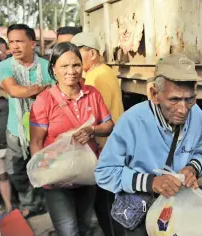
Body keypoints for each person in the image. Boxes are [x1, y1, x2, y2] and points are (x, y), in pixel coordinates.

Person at [95, 53, 202, 236]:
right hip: (140, 212)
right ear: (154, 94)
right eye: (174, 99)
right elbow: (104, 172)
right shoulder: (131, 122)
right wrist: (151, 182)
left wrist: (192, 168)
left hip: (177, 209)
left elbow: (200, 152)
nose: (183, 109)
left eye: (190, 99)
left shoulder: (197, 116)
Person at [29, 42, 114, 236]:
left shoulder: (92, 93)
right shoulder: (44, 100)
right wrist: (44, 175)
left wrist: (92, 130)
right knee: (68, 230)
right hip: (57, 179)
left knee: (85, 225)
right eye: (64, 66)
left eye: (76, 65)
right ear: (53, 69)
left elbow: (109, 125)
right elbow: (35, 142)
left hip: (86, 174)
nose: (71, 71)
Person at [71, 32, 124, 236]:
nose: (73, 60)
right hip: (105, 145)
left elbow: (97, 116)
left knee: (106, 203)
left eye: (78, 53)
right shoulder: (98, 73)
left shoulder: (98, 77)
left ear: (92, 53)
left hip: (105, 146)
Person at [0, 24, 53, 218]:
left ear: (32, 43)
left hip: (44, 128)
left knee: (44, 166)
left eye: (19, 41)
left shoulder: (48, 66)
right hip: (16, 130)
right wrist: (40, 89)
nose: (14, 46)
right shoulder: (5, 66)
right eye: (11, 42)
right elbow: (14, 91)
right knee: (15, 170)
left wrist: (35, 90)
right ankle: (30, 201)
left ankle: (43, 203)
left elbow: (58, 94)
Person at [0, 88, 12, 213]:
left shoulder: (5, 97)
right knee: (2, 176)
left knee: (4, 175)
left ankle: (9, 206)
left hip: (7, 142)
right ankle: (7, 205)